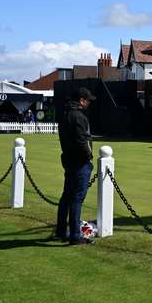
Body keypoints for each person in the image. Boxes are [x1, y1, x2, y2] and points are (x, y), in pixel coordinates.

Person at [56, 87, 96, 245]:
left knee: (66, 196)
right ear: (81, 100)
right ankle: (75, 236)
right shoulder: (79, 117)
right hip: (79, 162)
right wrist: (89, 156)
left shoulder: (65, 114)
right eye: (87, 100)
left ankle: (60, 231)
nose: (88, 103)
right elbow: (82, 141)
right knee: (76, 199)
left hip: (68, 159)